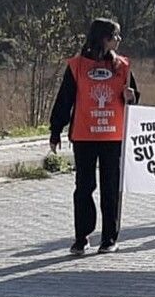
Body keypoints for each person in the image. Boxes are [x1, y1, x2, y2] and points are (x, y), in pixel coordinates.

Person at [50, 18, 140, 255]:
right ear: (103, 38)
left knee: (110, 188)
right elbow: (65, 99)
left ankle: (109, 237)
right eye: (115, 36)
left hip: (112, 137)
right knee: (84, 187)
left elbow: (133, 98)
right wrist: (55, 129)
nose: (119, 40)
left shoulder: (123, 66)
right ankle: (82, 237)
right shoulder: (77, 66)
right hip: (84, 135)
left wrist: (132, 96)